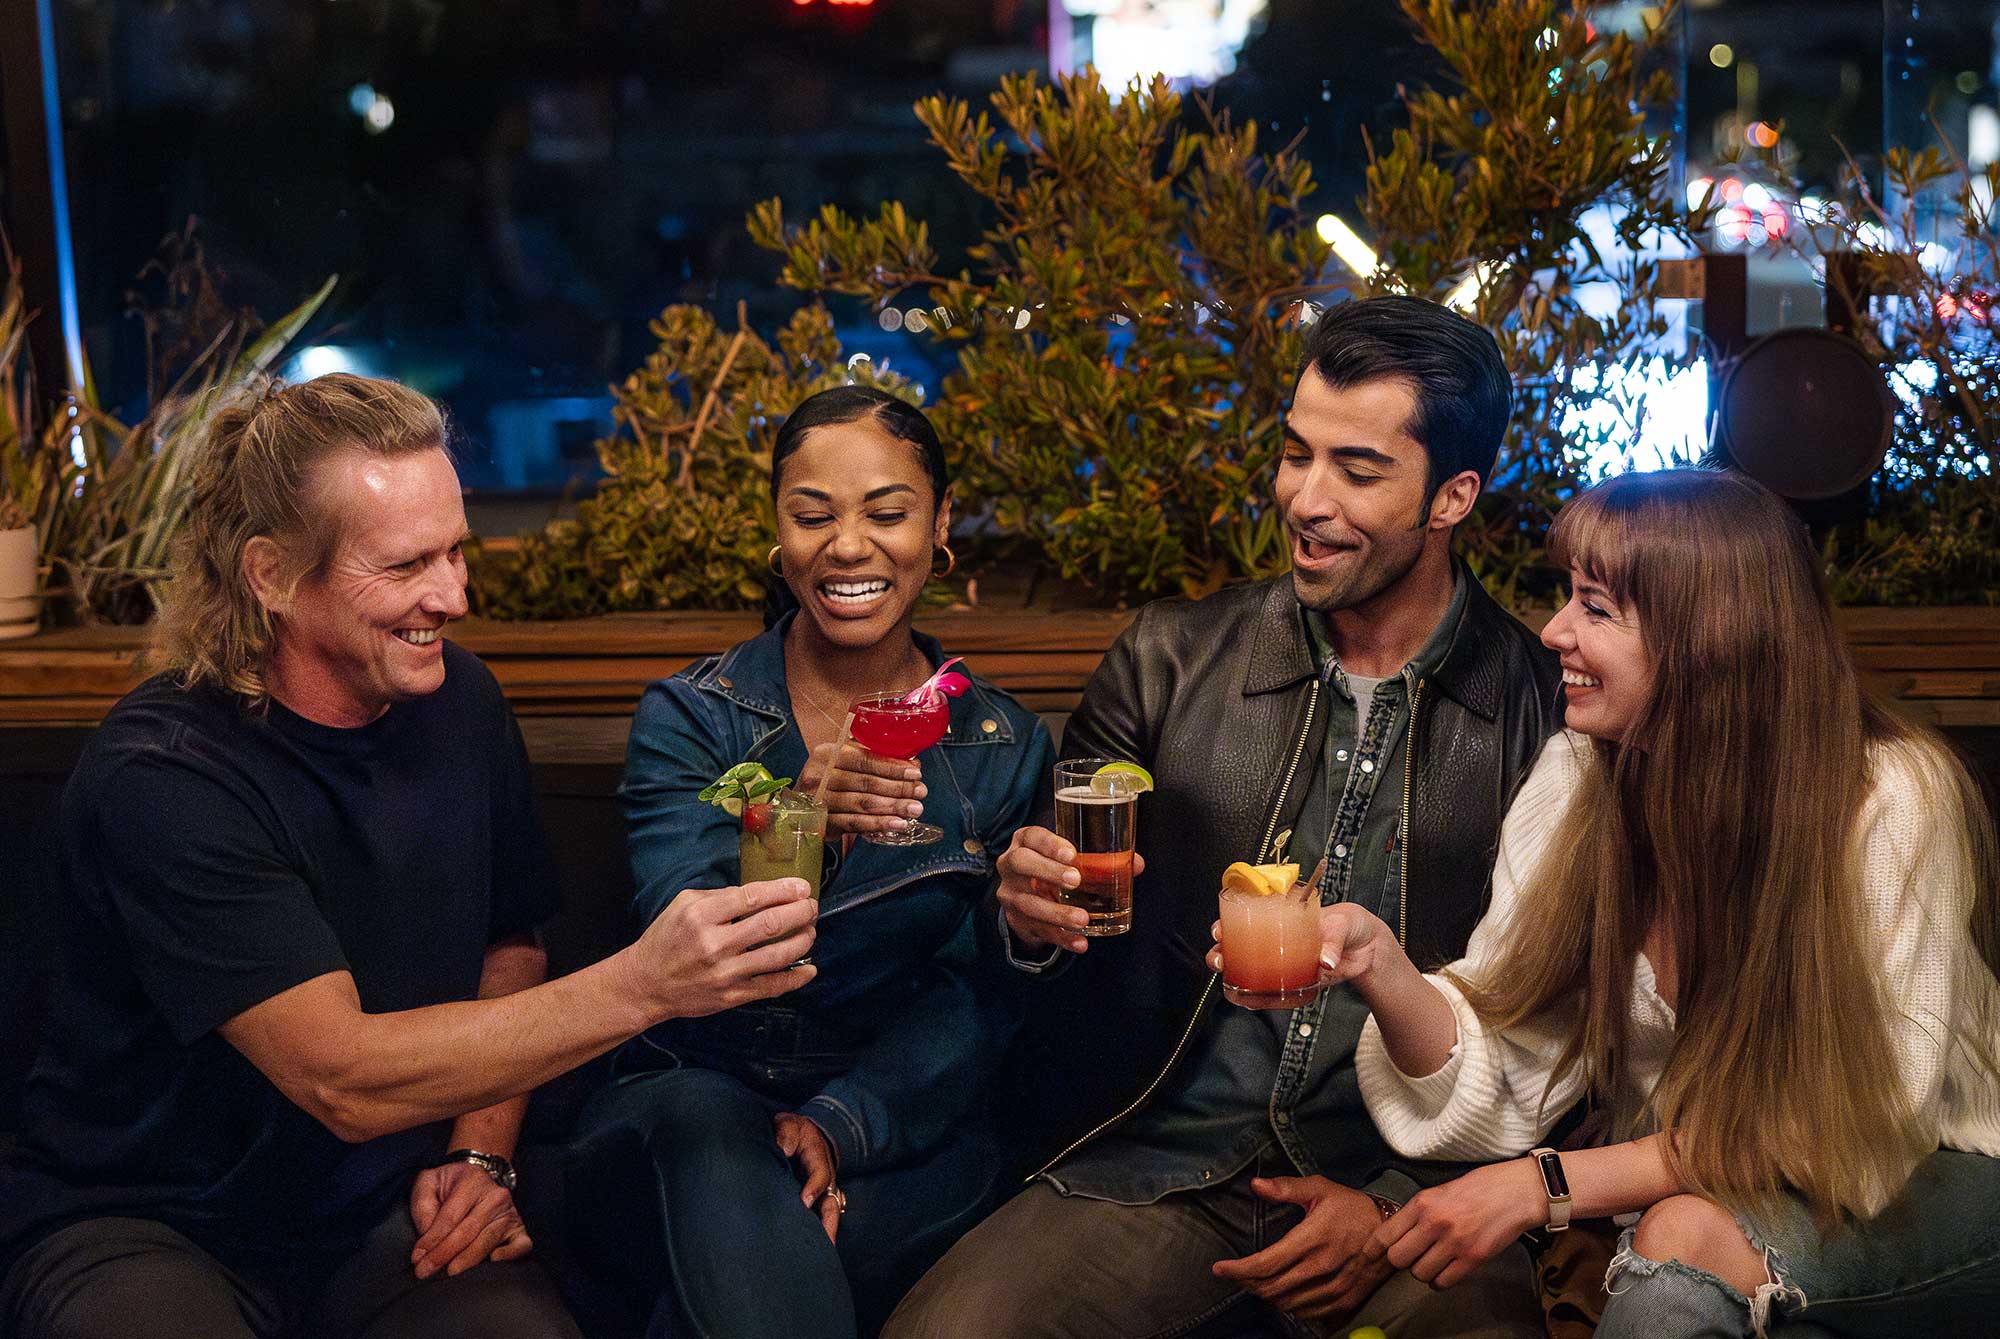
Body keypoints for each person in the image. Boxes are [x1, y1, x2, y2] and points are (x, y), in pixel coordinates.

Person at [0, 374, 818, 1339]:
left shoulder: (459, 700)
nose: (455, 595)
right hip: (146, 1223)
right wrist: (647, 982)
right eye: (406, 565)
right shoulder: (166, 774)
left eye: (456, 550)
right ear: (269, 574)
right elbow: (340, 1076)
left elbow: (509, 941)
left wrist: (481, 1154)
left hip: (376, 1216)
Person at [887, 295, 1564, 1338]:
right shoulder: (1166, 659)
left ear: (1451, 497)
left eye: (1357, 468)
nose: (1303, 496)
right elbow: (1052, 935)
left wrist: (1387, 1209)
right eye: (1295, 453)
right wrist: (1023, 918)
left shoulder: (1539, 713)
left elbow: (1563, 1024)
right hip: (1163, 1161)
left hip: (1418, 1184)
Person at [1314, 468, 2000, 1337]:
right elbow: (1506, 1059)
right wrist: (1380, 963)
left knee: (1682, 1241)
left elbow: (1859, 1129)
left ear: (1709, 637)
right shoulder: (1582, 772)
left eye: (1596, 608)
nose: (1554, 629)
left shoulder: (1889, 795)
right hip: (1714, 1199)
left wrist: (1548, 1186)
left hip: (1939, 1180)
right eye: (1568, 595)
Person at [563, 384, 1051, 1338]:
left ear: (941, 524)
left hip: (898, 1110)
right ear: (779, 534)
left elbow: (976, 999)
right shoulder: (696, 716)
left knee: (730, 1281)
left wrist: (840, 1119)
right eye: (813, 513)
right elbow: (687, 940)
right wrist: (802, 819)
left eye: (887, 511)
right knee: (722, 1160)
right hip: (688, 1088)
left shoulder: (1000, 744)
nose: (848, 546)